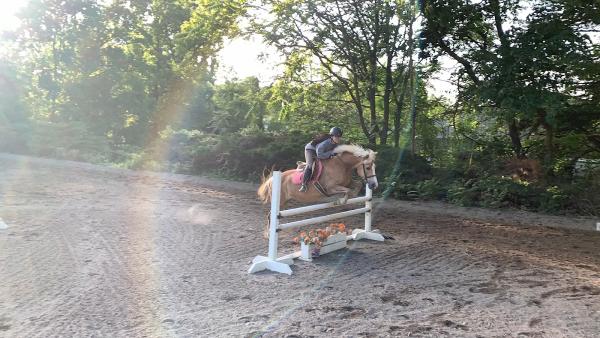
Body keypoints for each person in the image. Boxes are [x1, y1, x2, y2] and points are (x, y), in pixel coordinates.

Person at [299, 127, 343, 192]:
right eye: (336, 137)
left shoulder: (335, 143)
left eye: (339, 137)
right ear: (332, 136)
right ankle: (304, 184)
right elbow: (320, 155)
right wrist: (332, 153)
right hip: (310, 150)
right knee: (310, 165)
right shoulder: (325, 143)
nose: (338, 139)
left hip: (320, 152)